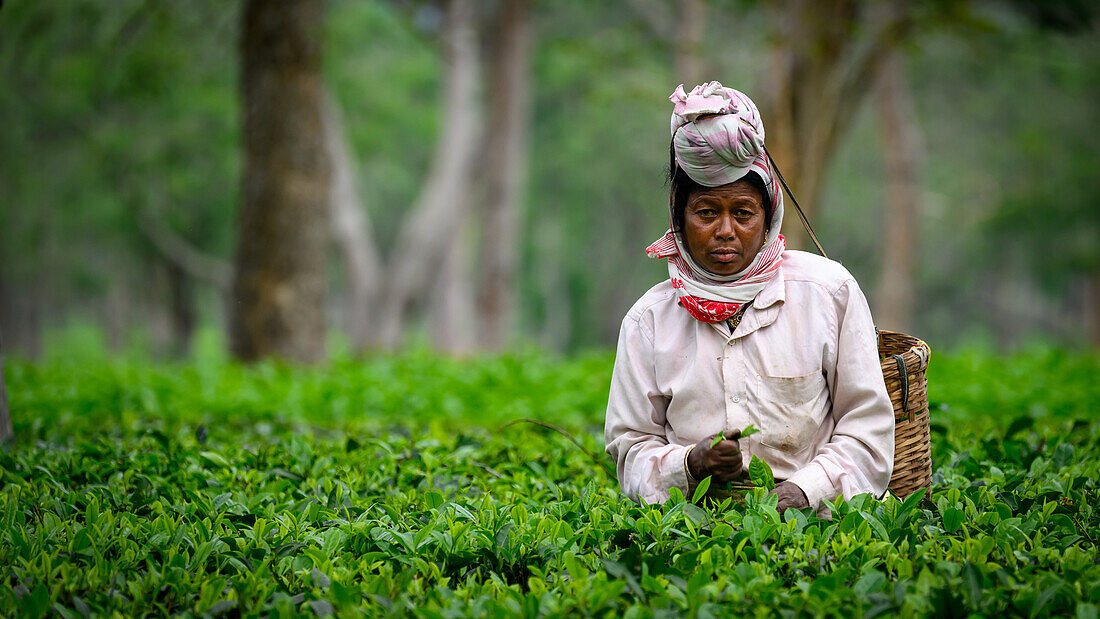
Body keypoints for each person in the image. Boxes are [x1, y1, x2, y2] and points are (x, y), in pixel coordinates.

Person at [604, 81, 894, 514]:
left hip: (822, 527)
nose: (725, 231)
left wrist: (806, 490)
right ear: (679, 218)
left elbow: (867, 428)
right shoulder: (649, 320)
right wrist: (690, 464)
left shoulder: (827, 292)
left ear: (768, 215)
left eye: (742, 212)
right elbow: (629, 448)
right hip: (696, 531)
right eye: (706, 213)